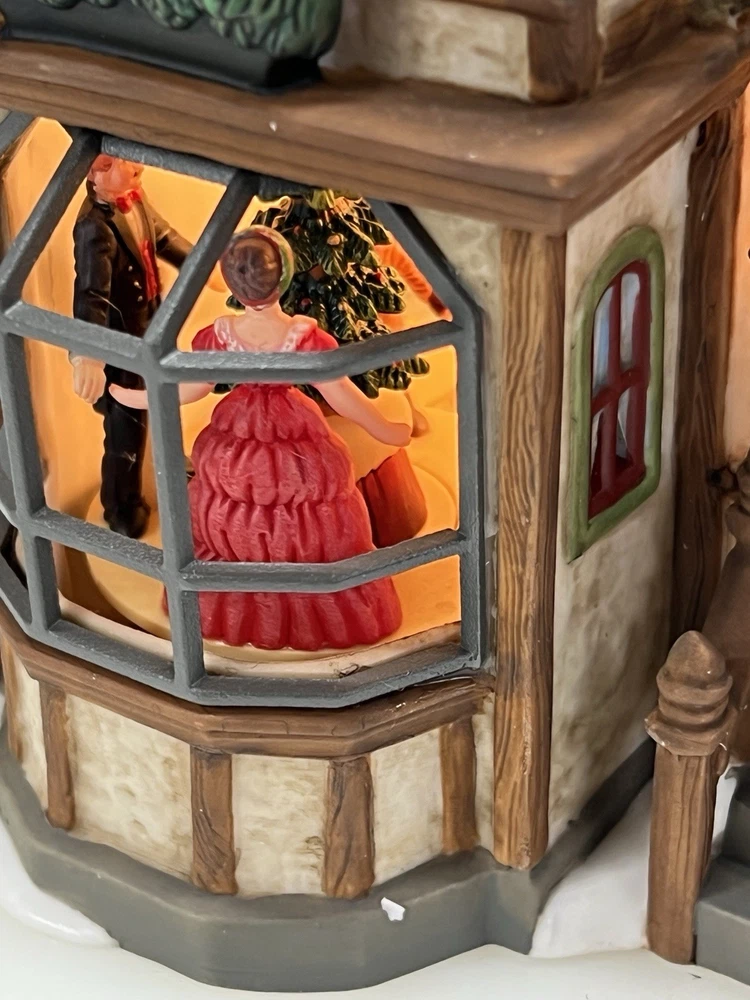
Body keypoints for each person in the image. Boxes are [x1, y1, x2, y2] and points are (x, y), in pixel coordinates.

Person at [111, 226, 408, 651]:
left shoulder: (225, 334)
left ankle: (256, 597)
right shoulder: (300, 337)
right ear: (284, 277)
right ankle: (293, 602)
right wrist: (383, 428)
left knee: (250, 503)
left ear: (231, 281)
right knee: (295, 506)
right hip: (282, 424)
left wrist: (140, 398)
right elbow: (340, 393)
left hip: (246, 425)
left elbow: (190, 387)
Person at [71, 154, 224, 538]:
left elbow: (163, 235)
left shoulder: (134, 196)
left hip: (153, 329)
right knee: (126, 428)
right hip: (122, 347)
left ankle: (166, 465)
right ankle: (122, 505)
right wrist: (88, 355)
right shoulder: (94, 227)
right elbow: (91, 296)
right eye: (120, 163)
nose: (136, 167)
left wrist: (202, 266)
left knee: (162, 400)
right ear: (95, 173)